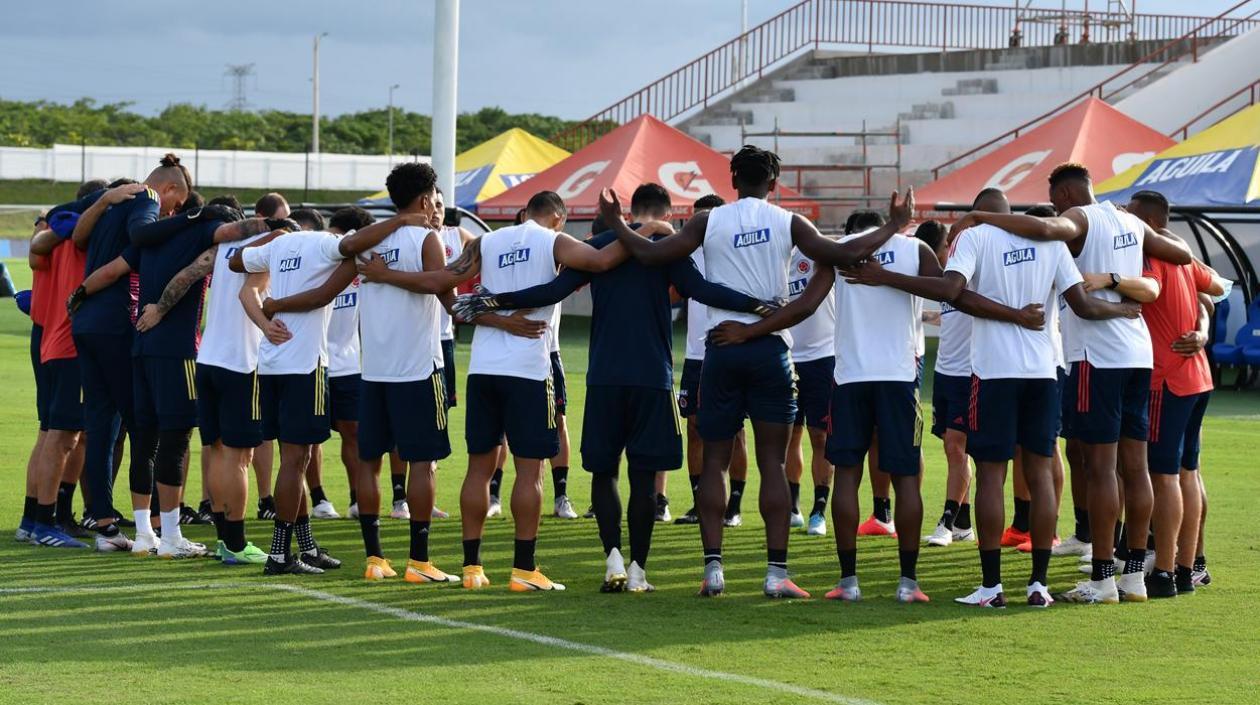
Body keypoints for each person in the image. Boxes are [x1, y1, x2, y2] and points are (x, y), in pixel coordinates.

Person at [602, 144, 915, 598]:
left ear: (732, 180)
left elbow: (653, 255)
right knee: (773, 461)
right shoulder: (788, 221)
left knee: (714, 460)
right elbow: (841, 254)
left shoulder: (708, 221)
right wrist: (893, 225)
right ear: (773, 183)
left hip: (721, 348)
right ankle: (775, 574)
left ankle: (713, 569)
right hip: (770, 350)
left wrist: (615, 223)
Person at [455, 183, 773, 592]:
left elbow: (553, 291)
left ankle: (613, 562)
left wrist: (493, 301)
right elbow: (702, 291)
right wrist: (756, 304)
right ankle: (638, 571)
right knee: (643, 476)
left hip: (603, 377)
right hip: (651, 377)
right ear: (665, 214)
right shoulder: (666, 248)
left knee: (604, 472)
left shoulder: (598, 245)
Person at [948, 162, 1193, 604]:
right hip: (1139, 353)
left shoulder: (1080, 217)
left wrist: (982, 216)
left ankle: (1103, 578)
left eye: (1055, 202)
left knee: (1100, 469)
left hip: (1097, 356)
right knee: (1136, 468)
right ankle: (1134, 576)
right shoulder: (1130, 220)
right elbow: (1181, 254)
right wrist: (1125, 278)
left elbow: (1046, 230)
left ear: (1062, 196)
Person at [71, 202, 272, 558]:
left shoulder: (150, 240)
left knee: (144, 441)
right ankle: (171, 537)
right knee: (175, 442)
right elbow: (190, 274)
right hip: (179, 351)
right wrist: (277, 225)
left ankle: (144, 534)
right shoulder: (202, 236)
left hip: (140, 348)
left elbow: (112, 271)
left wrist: (79, 294)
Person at [48, 158, 191, 550]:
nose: (172, 212)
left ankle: (106, 526)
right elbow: (140, 239)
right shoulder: (147, 199)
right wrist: (188, 226)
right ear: (169, 189)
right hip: (115, 323)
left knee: (101, 425)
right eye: (176, 205)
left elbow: (77, 237)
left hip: (87, 323)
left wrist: (102, 202)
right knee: (143, 424)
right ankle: (157, 525)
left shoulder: (113, 202)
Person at [231, 217, 348, 575]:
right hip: (304, 366)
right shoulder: (323, 246)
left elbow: (236, 262)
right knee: (296, 460)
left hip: (273, 364)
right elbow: (321, 295)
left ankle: (307, 547)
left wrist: (267, 321)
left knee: (295, 459)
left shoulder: (279, 247)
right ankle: (280, 554)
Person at [1127, 190, 1224, 597]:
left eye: (1131, 215)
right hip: (1197, 377)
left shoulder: (1152, 255)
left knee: (1163, 476)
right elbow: (1213, 288)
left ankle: (1165, 572)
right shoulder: (1181, 251)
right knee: (1188, 472)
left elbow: (1151, 291)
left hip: (1166, 380)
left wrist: (1109, 281)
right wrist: (1201, 329)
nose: (1125, 221)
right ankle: (1189, 566)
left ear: (1149, 222)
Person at [673, 195, 752, 528]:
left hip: (729, 348)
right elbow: (674, 292)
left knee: (736, 432)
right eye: (695, 219)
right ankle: (699, 503)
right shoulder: (685, 251)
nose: (699, 224)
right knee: (694, 430)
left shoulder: (735, 249)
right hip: (695, 355)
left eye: (705, 218)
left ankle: (734, 506)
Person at [916, 218, 975, 548]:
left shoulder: (969, 273)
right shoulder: (944, 280)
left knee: (956, 445)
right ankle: (964, 523)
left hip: (969, 372)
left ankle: (947, 521)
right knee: (952, 448)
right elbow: (948, 316)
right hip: (945, 372)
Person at [784, 235, 837, 537]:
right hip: (786, 357)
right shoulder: (775, 259)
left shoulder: (820, 252)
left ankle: (819, 510)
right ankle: (793, 506)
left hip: (822, 358)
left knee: (820, 436)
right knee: (790, 435)